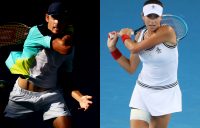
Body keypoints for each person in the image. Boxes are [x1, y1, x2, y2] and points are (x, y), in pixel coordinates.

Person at [3, 1, 93, 128]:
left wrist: (80, 98)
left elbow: (65, 78)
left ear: (67, 21)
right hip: (22, 95)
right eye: (54, 17)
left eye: (61, 18)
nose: (57, 22)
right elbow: (63, 47)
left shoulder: (71, 47)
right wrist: (69, 34)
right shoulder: (36, 32)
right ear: (47, 18)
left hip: (51, 96)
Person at [107, 0, 182, 128]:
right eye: (149, 16)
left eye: (156, 16)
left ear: (161, 17)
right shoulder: (139, 36)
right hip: (142, 91)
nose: (152, 21)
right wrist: (113, 49)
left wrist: (125, 36)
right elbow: (131, 67)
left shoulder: (168, 31)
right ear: (143, 16)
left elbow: (134, 49)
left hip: (165, 94)